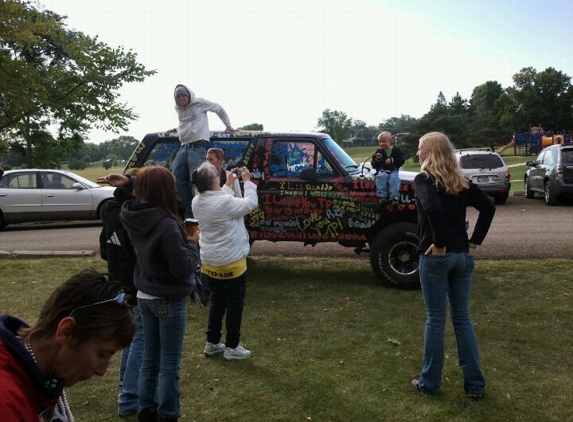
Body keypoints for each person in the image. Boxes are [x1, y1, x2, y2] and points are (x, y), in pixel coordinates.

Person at [411, 132, 495, 399]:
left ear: (431, 152)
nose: (417, 153)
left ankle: (429, 385)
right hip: (462, 258)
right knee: (462, 319)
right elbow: (488, 207)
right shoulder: (460, 181)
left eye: (421, 148)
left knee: (435, 320)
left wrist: (440, 243)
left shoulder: (423, 180)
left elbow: (433, 210)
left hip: (437, 257)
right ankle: (475, 386)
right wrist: (473, 244)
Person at [0, 269, 135, 422]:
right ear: (67, 331)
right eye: (101, 354)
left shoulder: (42, 378)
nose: (102, 371)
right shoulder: (6, 400)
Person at [120, 166, 199, 422]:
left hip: (145, 294)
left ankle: (146, 408)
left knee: (149, 358)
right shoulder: (166, 224)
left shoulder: (132, 215)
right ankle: (167, 413)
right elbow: (182, 268)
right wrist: (192, 243)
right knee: (168, 363)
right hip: (167, 297)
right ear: (164, 190)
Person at [191, 162, 258, 360]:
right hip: (232, 262)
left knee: (218, 301)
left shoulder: (197, 201)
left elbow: (221, 200)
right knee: (235, 304)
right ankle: (232, 346)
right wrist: (248, 183)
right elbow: (249, 204)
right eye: (218, 178)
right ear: (213, 182)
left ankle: (212, 342)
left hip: (211, 262)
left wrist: (228, 183)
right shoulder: (224, 204)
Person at [98, 171, 143, 417]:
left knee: (130, 338)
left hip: (119, 285)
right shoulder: (133, 214)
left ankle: (125, 387)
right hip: (134, 284)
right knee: (138, 340)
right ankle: (128, 398)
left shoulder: (111, 211)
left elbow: (105, 249)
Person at [170, 84, 236, 218]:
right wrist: (177, 129)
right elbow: (188, 123)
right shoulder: (178, 108)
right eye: (178, 96)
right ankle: (190, 211)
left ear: (189, 95)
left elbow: (218, 108)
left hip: (197, 147)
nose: (181, 98)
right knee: (177, 180)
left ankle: (200, 214)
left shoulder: (200, 103)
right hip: (183, 148)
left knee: (199, 182)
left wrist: (228, 125)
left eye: (183, 95)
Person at [371, 131, 405, 207]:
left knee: (394, 179)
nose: (381, 144)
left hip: (393, 169)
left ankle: (394, 197)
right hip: (383, 170)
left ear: (390, 141)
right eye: (380, 142)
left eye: (384, 141)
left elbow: (402, 160)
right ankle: (382, 196)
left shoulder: (396, 150)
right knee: (381, 177)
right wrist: (378, 159)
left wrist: (392, 160)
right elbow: (373, 164)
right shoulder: (378, 152)